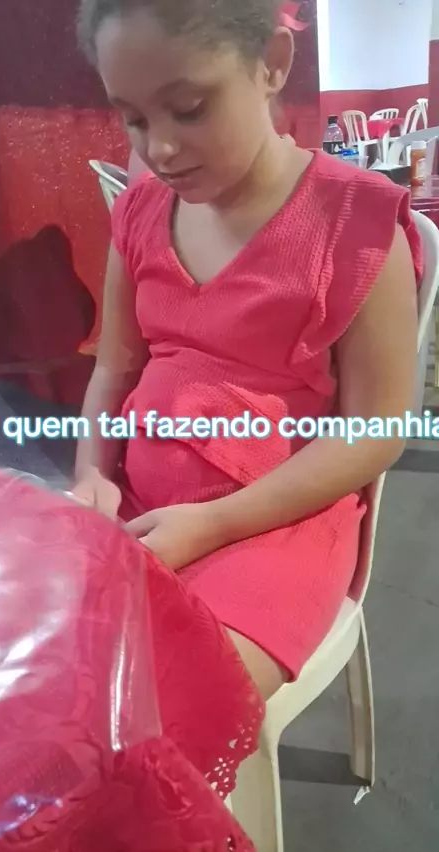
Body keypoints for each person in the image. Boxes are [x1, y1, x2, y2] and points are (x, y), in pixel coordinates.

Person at [74, 0, 421, 701]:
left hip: (277, 524)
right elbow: (115, 367)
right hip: (141, 503)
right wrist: (90, 474)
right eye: (133, 118)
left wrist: (213, 524)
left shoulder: (353, 224)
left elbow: (377, 430)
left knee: (171, 701)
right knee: (36, 659)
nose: (158, 149)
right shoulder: (140, 213)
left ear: (271, 64)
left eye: (189, 109)